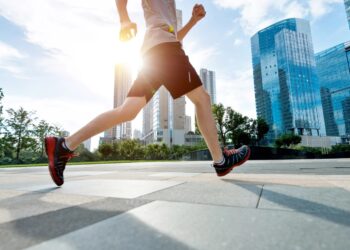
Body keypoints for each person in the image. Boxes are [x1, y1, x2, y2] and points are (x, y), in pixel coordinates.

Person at [45, 0, 251, 186]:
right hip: (165, 52)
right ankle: (220, 161)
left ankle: (65, 144)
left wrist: (192, 21)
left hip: (156, 51)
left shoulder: (165, 10)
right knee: (202, 98)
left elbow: (173, 36)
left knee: (128, 110)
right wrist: (124, 20)